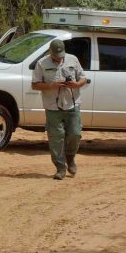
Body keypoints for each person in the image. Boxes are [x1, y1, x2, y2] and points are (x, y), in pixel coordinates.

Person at [31, 39, 88, 180]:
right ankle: (60, 168)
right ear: (50, 52)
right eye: (56, 56)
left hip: (72, 104)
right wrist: (52, 85)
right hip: (52, 106)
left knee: (75, 134)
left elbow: (84, 78)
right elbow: (35, 85)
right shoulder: (41, 63)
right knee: (56, 138)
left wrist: (76, 85)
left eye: (61, 55)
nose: (59, 58)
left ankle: (70, 157)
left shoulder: (72, 59)